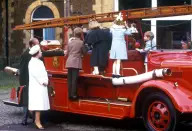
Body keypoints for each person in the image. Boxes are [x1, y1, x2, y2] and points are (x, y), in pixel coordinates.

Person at [28, 45, 50, 129]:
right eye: (40, 52)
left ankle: (37, 119)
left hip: (41, 85)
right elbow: (36, 74)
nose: (41, 53)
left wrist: (46, 80)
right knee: (38, 104)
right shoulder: (32, 62)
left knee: (39, 104)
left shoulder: (39, 62)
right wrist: (43, 82)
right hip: (37, 86)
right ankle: (37, 121)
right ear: (37, 53)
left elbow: (43, 72)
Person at [19, 38, 39, 125]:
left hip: (34, 80)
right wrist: (23, 84)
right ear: (32, 45)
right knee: (26, 101)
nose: (39, 46)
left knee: (34, 99)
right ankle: (24, 120)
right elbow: (22, 70)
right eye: (37, 44)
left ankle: (35, 119)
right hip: (27, 81)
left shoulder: (36, 53)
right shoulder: (25, 54)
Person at [66, 27, 87, 100]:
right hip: (76, 62)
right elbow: (84, 52)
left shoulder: (70, 42)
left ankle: (69, 95)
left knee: (70, 79)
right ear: (81, 34)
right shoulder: (81, 42)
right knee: (74, 79)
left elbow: (67, 52)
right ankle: (74, 95)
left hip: (69, 61)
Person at [110, 13, 132, 78]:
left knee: (115, 60)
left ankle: (113, 73)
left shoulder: (113, 30)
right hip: (120, 45)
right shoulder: (123, 30)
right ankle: (118, 74)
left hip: (114, 45)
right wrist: (126, 26)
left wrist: (116, 20)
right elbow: (130, 32)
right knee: (119, 60)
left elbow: (112, 26)